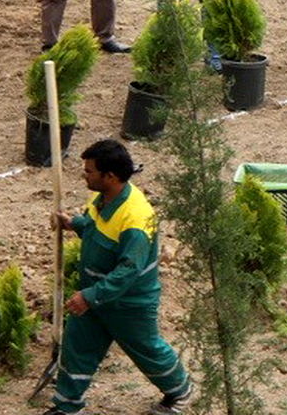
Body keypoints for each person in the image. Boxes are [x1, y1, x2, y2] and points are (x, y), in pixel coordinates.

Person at [45, 139, 191, 415]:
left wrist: (90, 296)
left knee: (146, 349)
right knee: (77, 346)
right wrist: (74, 223)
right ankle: (67, 406)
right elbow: (95, 226)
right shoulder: (101, 199)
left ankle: (179, 393)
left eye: (89, 171)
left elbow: (128, 271)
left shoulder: (136, 218)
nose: (84, 175)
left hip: (129, 303)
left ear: (109, 176)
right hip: (96, 293)